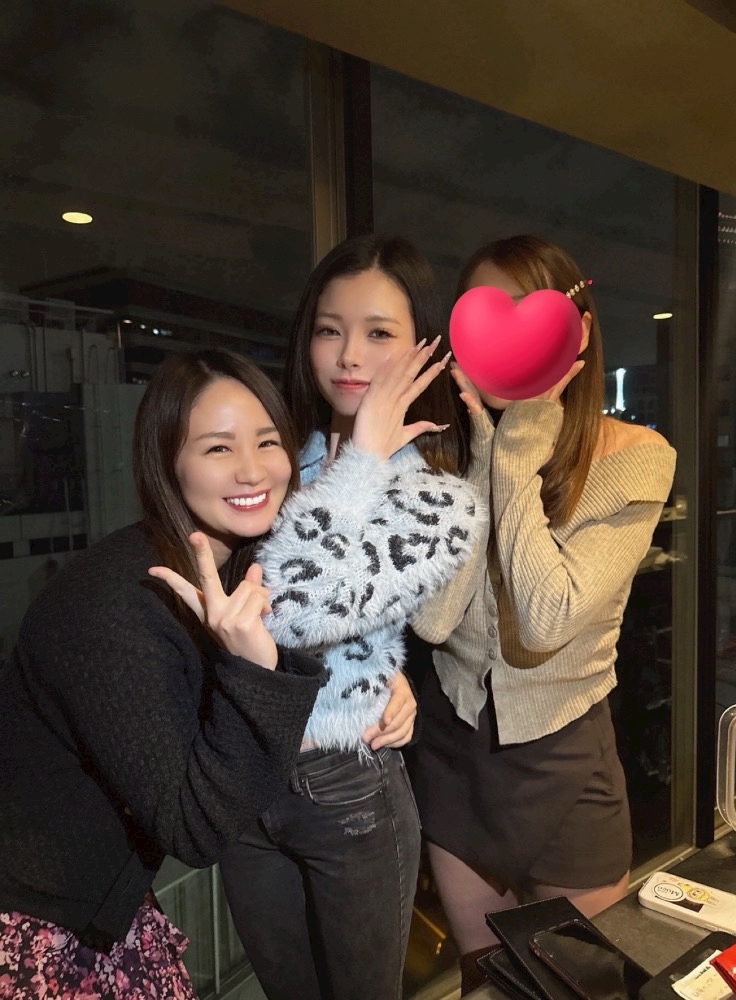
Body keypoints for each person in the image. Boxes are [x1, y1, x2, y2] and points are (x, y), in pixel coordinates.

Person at [0, 350, 325, 999]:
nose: (253, 469)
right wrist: (254, 668)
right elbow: (195, 826)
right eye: (218, 448)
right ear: (167, 463)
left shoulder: (229, 568)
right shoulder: (116, 606)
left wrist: (380, 687)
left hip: (102, 902)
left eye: (268, 441)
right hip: (41, 927)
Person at [408, 234, 677, 995]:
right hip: (457, 753)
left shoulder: (638, 456)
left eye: (529, 318)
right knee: (485, 983)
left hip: (566, 756)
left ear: (577, 332)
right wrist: (485, 461)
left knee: (579, 986)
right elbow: (434, 622)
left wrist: (518, 453)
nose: (507, 346)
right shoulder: (445, 454)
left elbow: (547, 617)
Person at [217, 234, 481, 1000]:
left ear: (424, 347)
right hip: (244, 770)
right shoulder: (279, 457)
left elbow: (298, 612)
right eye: (330, 329)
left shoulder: (436, 494)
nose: (349, 355)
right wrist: (384, 672)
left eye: (378, 332)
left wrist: (363, 458)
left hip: (346, 784)